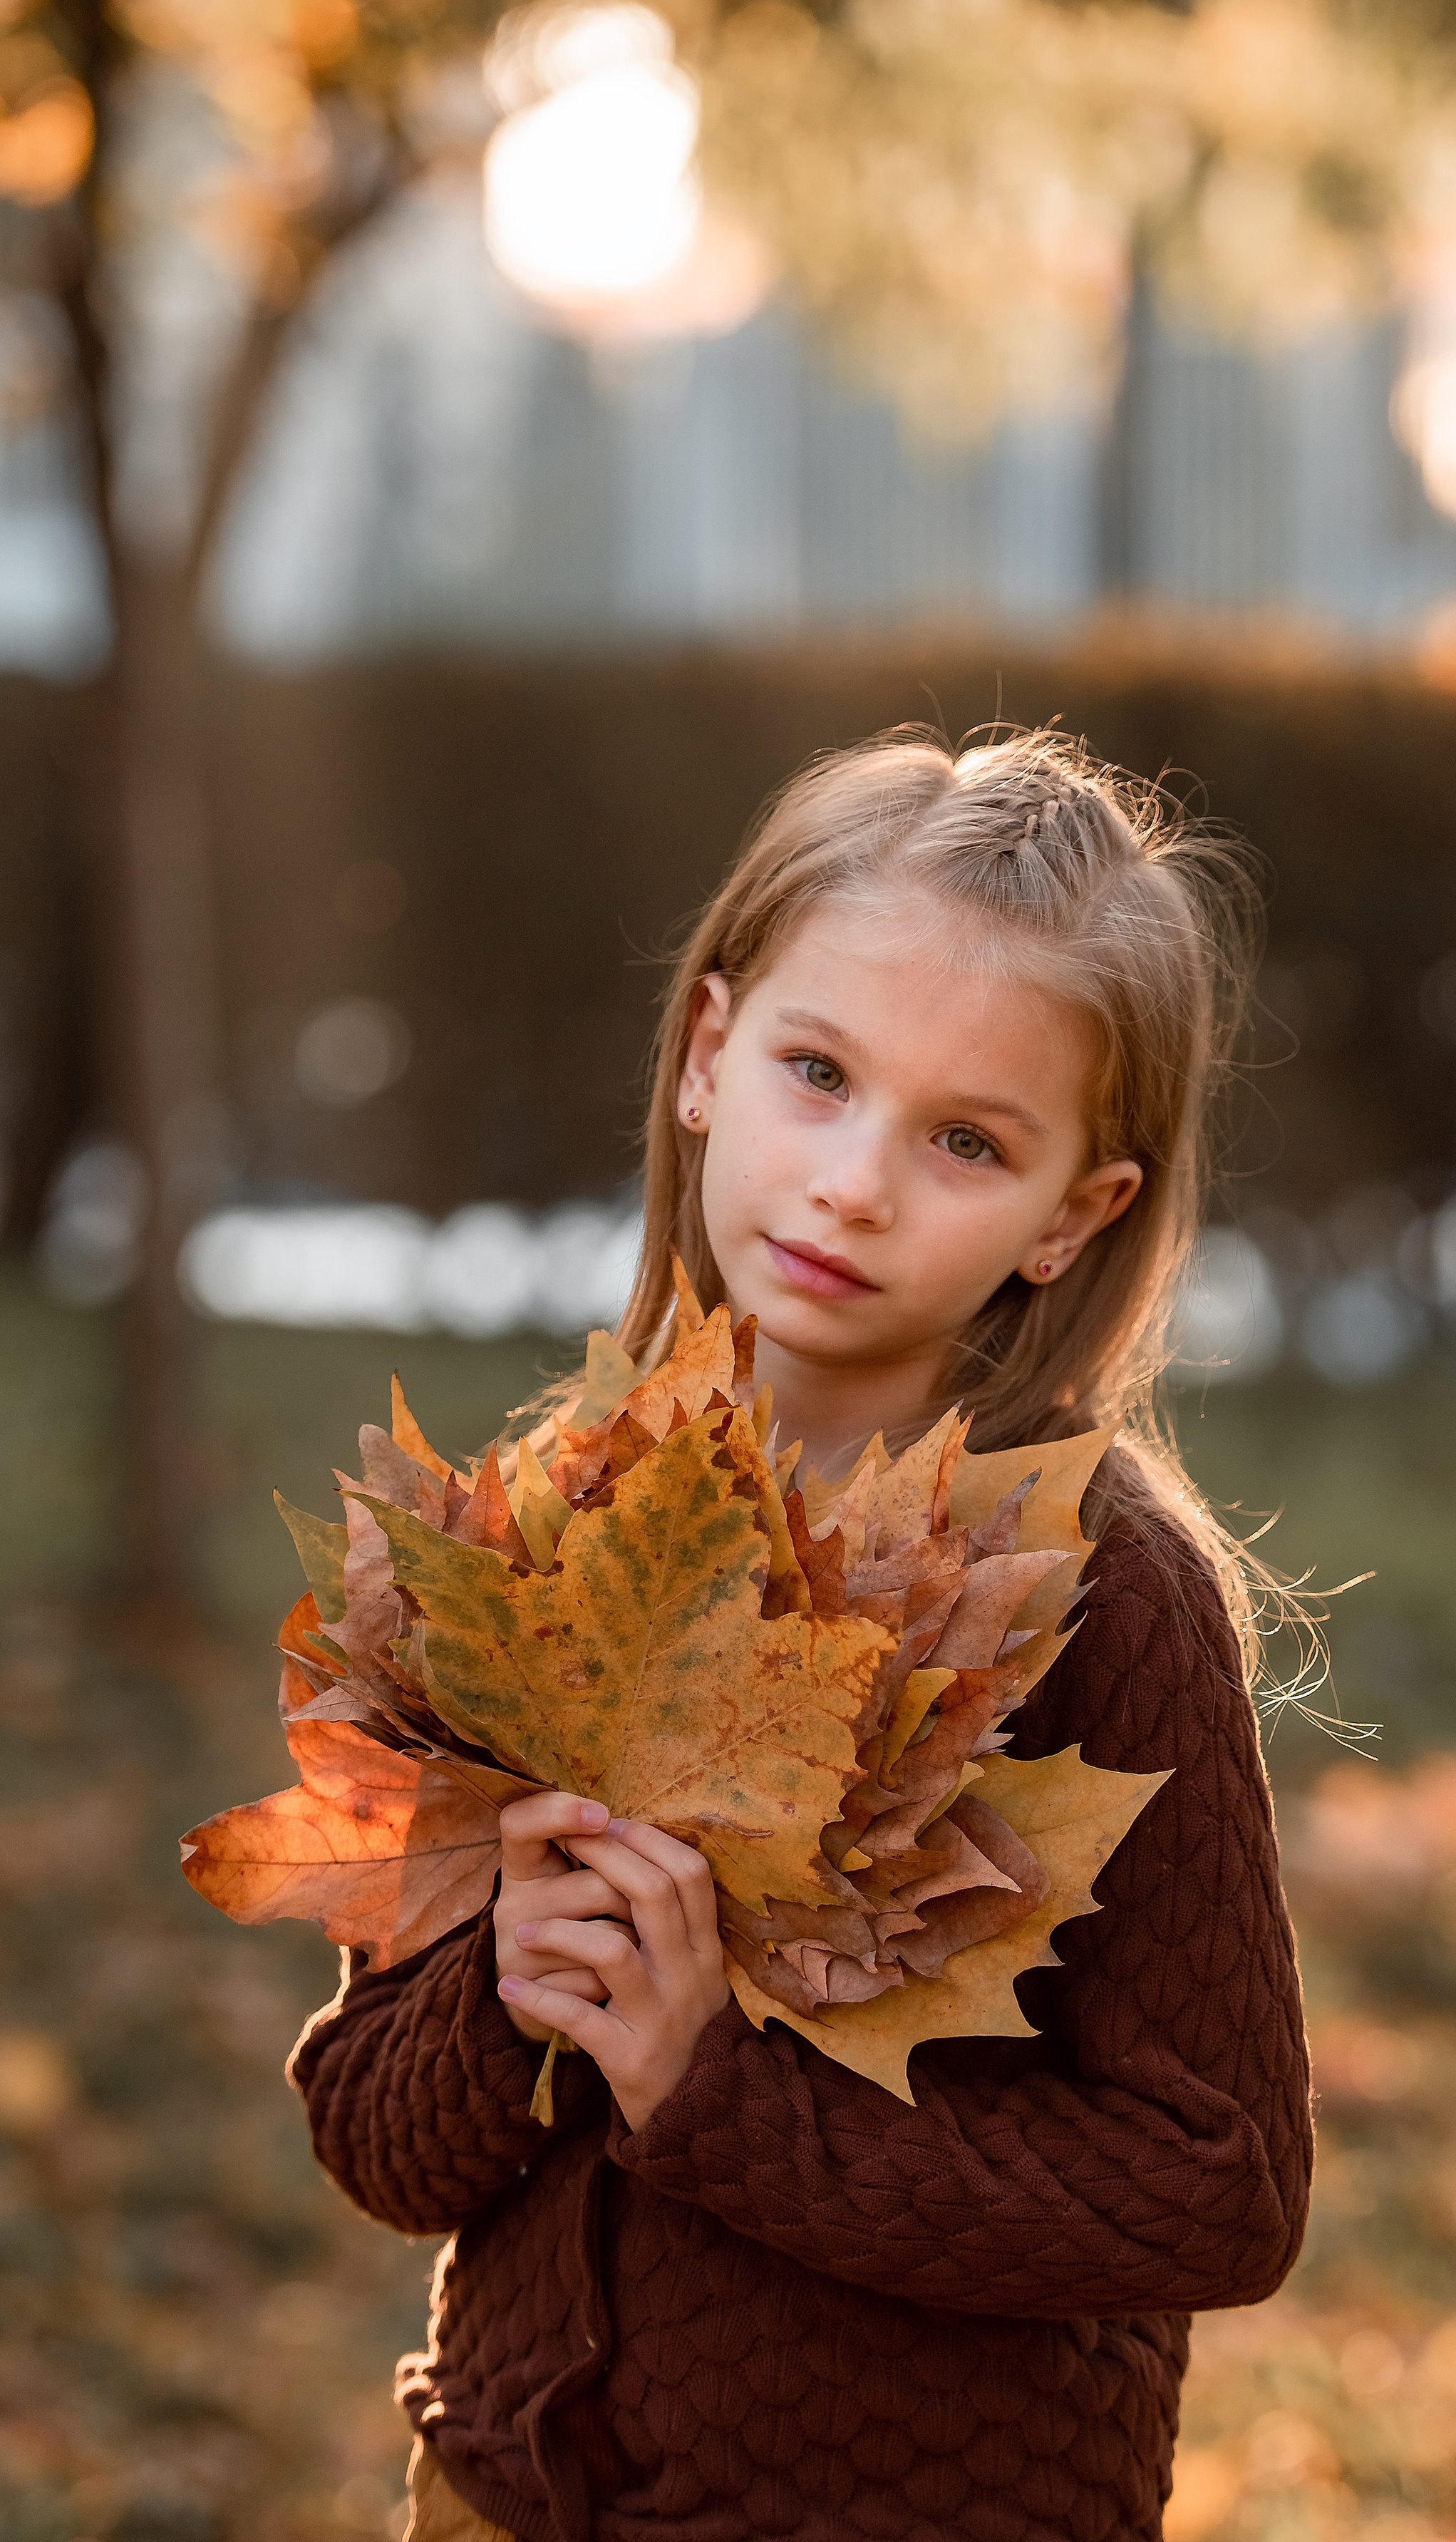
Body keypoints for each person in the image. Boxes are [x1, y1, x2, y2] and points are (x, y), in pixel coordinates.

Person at [289, 727, 1313, 2542]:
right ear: (707, 1055)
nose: (853, 1181)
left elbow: (1216, 2188)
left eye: (965, 1140)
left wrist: (716, 2096)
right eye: (817, 1073)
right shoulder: (547, 1538)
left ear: (1073, 1215)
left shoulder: (1097, 1597)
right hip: (499, 2494)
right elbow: (376, 2141)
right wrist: (505, 1990)